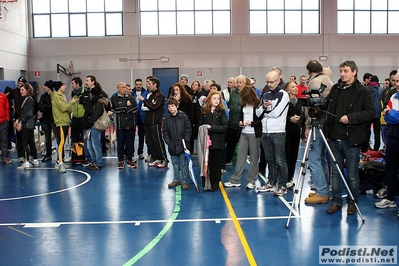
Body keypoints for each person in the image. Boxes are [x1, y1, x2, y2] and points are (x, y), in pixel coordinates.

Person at [323, 60, 375, 215]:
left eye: (345, 71)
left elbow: (370, 112)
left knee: (352, 174)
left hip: (352, 138)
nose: (342, 74)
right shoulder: (336, 89)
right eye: (341, 71)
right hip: (334, 137)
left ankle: (352, 202)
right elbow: (327, 106)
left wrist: (351, 118)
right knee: (335, 173)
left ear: (354, 72)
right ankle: (336, 201)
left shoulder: (363, 91)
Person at [302, 60, 333, 204]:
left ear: (309, 70)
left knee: (314, 159)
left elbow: (313, 108)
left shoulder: (314, 83)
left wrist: (308, 126)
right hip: (327, 123)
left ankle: (321, 191)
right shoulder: (327, 80)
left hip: (318, 123)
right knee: (321, 158)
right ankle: (324, 188)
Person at [256, 70, 290, 196]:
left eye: (272, 82)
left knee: (280, 160)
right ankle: (271, 182)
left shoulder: (283, 95)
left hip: (278, 131)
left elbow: (277, 113)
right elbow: (258, 113)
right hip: (266, 131)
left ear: (278, 81)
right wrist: (264, 108)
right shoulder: (265, 95)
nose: (269, 84)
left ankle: (282, 185)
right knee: (270, 159)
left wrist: (265, 113)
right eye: (267, 82)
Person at [224, 85, 261, 189]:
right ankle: (235, 179)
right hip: (244, 133)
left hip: (254, 134)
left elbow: (261, 121)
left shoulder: (258, 105)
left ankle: (252, 180)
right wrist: (241, 122)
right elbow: (242, 115)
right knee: (240, 157)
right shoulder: (244, 104)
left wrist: (252, 123)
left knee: (254, 158)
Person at [374, 77, 399, 212]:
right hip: (392, 137)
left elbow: (391, 114)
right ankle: (390, 199)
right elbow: (386, 116)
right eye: (396, 81)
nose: (397, 84)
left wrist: (392, 113)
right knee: (390, 169)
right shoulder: (394, 96)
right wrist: (392, 114)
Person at [198, 90, 228, 191]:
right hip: (206, 143)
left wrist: (211, 127)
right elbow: (200, 124)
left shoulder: (221, 111)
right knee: (207, 163)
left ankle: (215, 183)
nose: (216, 100)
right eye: (214, 98)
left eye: (218, 98)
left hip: (217, 142)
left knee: (216, 163)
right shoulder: (203, 111)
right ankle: (207, 183)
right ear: (209, 99)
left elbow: (224, 126)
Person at [137, 76, 168, 168]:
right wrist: (147, 104)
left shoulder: (160, 95)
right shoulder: (149, 94)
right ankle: (156, 158)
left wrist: (144, 100)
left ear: (155, 85)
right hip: (147, 121)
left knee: (157, 140)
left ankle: (164, 159)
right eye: (146, 82)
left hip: (155, 121)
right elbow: (145, 106)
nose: (147, 85)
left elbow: (154, 107)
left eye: (149, 83)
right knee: (150, 141)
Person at [163, 97, 192, 190]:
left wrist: (186, 140)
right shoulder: (167, 119)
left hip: (183, 145)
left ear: (177, 106)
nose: (170, 108)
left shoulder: (183, 117)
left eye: (172, 106)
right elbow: (165, 132)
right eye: (169, 106)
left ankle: (185, 181)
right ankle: (176, 179)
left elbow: (188, 129)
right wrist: (169, 142)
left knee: (183, 164)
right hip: (172, 145)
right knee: (175, 163)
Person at [51, 81, 77, 173]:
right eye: (63, 85)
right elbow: (62, 108)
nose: (65, 87)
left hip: (65, 122)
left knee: (63, 141)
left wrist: (70, 110)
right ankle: (60, 162)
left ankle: (59, 161)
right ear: (59, 87)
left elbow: (66, 108)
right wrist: (71, 103)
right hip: (60, 122)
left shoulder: (63, 96)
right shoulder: (56, 97)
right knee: (61, 142)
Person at [111, 82, 138, 169]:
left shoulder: (131, 97)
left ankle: (130, 160)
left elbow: (134, 107)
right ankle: (120, 161)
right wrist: (126, 106)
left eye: (126, 87)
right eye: (123, 87)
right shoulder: (114, 98)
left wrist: (124, 109)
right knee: (120, 143)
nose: (125, 89)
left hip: (130, 124)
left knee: (130, 143)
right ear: (118, 88)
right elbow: (115, 108)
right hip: (120, 125)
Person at [284, 81, 304, 189]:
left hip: (296, 131)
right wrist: (289, 119)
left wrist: (300, 120)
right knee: (286, 155)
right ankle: (284, 177)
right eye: (293, 87)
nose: (296, 88)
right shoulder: (284, 102)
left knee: (294, 156)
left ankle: (290, 177)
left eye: (296, 86)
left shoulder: (300, 102)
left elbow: (303, 116)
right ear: (287, 90)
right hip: (286, 131)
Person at [84, 86, 109, 170]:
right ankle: (94, 161)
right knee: (89, 146)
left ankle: (98, 163)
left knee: (95, 145)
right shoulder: (95, 102)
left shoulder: (98, 103)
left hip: (95, 126)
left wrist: (88, 123)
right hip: (92, 126)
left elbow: (95, 115)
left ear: (93, 94)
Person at [15, 84, 40, 170]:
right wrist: (19, 120)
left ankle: (26, 162)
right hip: (29, 124)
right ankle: (35, 160)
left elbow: (29, 113)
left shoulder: (29, 100)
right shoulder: (27, 100)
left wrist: (21, 122)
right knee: (31, 142)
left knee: (24, 142)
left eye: (22, 90)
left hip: (27, 125)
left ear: (27, 90)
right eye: (20, 90)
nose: (21, 91)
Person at [225, 75, 245, 166]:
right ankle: (228, 159)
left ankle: (242, 162)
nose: (238, 84)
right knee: (230, 143)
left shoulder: (247, 93)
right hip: (233, 122)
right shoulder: (232, 93)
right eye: (237, 82)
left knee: (243, 145)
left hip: (243, 124)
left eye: (240, 82)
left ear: (244, 83)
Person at [38, 80, 56, 162]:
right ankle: (48, 154)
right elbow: (40, 106)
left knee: (58, 138)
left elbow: (53, 107)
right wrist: (46, 107)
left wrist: (46, 107)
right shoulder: (43, 96)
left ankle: (60, 156)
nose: (43, 87)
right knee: (47, 138)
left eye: (45, 86)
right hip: (45, 120)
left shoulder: (54, 96)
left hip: (54, 119)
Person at [132, 78, 148, 160]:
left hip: (142, 117)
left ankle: (140, 152)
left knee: (141, 135)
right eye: (137, 84)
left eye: (139, 84)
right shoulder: (131, 92)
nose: (138, 86)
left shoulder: (146, 93)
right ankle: (130, 153)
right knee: (131, 136)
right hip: (132, 117)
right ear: (135, 85)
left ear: (142, 85)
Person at [366, 75, 383, 151]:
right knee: (377, 132)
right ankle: (376, 148)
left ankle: (365, 147)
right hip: (377, 113)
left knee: (366, 131)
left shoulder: (366, 89)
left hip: (368, 113)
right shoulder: (381, 90)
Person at [190, 80, 206, 154]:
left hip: (198, 116)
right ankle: (192, 149)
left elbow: (203, 104)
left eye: (196, 85)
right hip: (192, 116)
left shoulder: (201, 94)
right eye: (193, 84)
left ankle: (199, 149)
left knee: (198, 133)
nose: (194, 86)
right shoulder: (190, 94)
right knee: (192, 134)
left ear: (199, 86)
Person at [70, 77, 86, 145]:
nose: (71, 85)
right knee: (74, 138)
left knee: (82, 138)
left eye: (72, 83)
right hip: (75, 118)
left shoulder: (85, 92)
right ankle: (75, 153)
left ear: (77, 84)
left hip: (82, 118)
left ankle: (83, 154)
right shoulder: (73, 93)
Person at [0, 90, 12, 164]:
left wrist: (7, 119)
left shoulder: (3, 96)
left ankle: (5, 157)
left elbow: (7, 107)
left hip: (3, 121)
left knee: (4, 139)